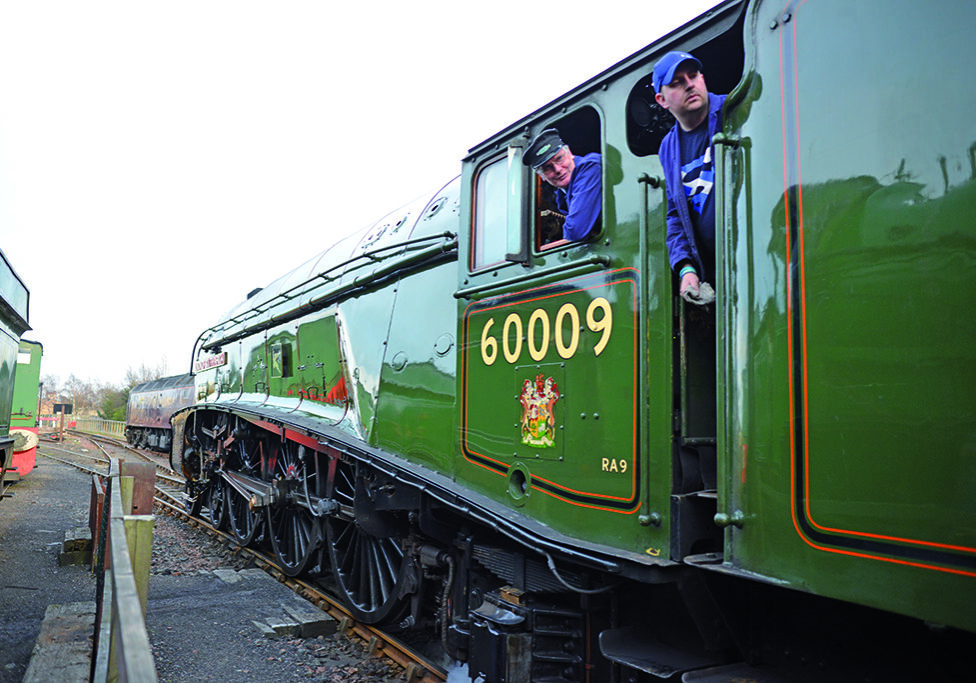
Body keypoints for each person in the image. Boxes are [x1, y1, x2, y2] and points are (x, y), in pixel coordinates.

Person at [653, 51, 726, 305]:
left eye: (693, 75)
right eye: (676, 82)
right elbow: (675, 214)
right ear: (662, 100)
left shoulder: (734, 111)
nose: (689, 84)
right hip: (718, 276)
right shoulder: (668, 147)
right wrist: (686, 268)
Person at [522, 129, 601, 241]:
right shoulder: (561, 194)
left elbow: (575, 231)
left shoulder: (590, 167)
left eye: (559, 159)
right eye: (547, 168)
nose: (558, 169)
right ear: (542, 176)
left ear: (570, 153)